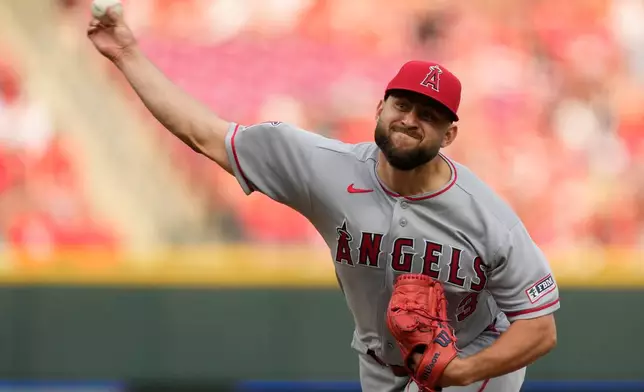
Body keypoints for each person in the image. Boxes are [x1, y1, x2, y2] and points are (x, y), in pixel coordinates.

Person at [87, 7, 560, 392]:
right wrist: (126, 53)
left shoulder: (487, 216)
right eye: (403, 105)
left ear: (449, 133)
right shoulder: (321, 166)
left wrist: (461, 371)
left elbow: (540, 327)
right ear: (380, 106)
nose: (410, 120)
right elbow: (205, 134)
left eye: (429, 115)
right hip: (378, 363)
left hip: (471, 354)